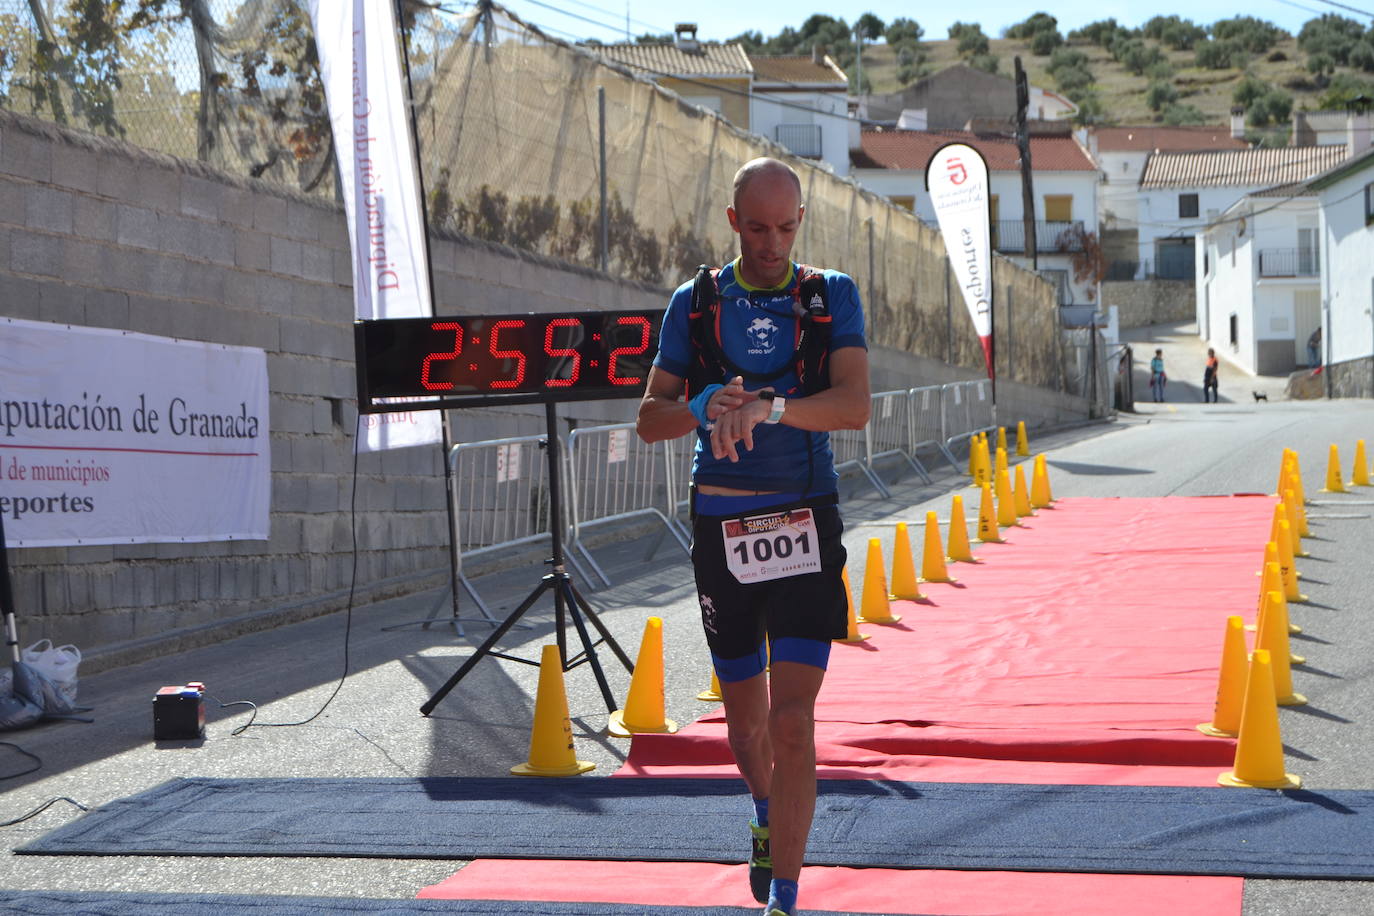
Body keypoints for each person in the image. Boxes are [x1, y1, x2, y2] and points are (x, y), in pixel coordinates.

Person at [636, 157, 870, 916]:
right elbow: (649, 421)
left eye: (788, 227)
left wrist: (769, 408)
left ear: (802, 220)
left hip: (804, 518)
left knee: (792, 720)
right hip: (721, 528)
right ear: (734, 220)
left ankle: (788, 898)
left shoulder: (830, 297)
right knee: (745, 734)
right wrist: (702, 403)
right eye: (759, 227)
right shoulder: (694, 304)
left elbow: (853, 406)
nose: (773, 243)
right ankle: (765, 813)